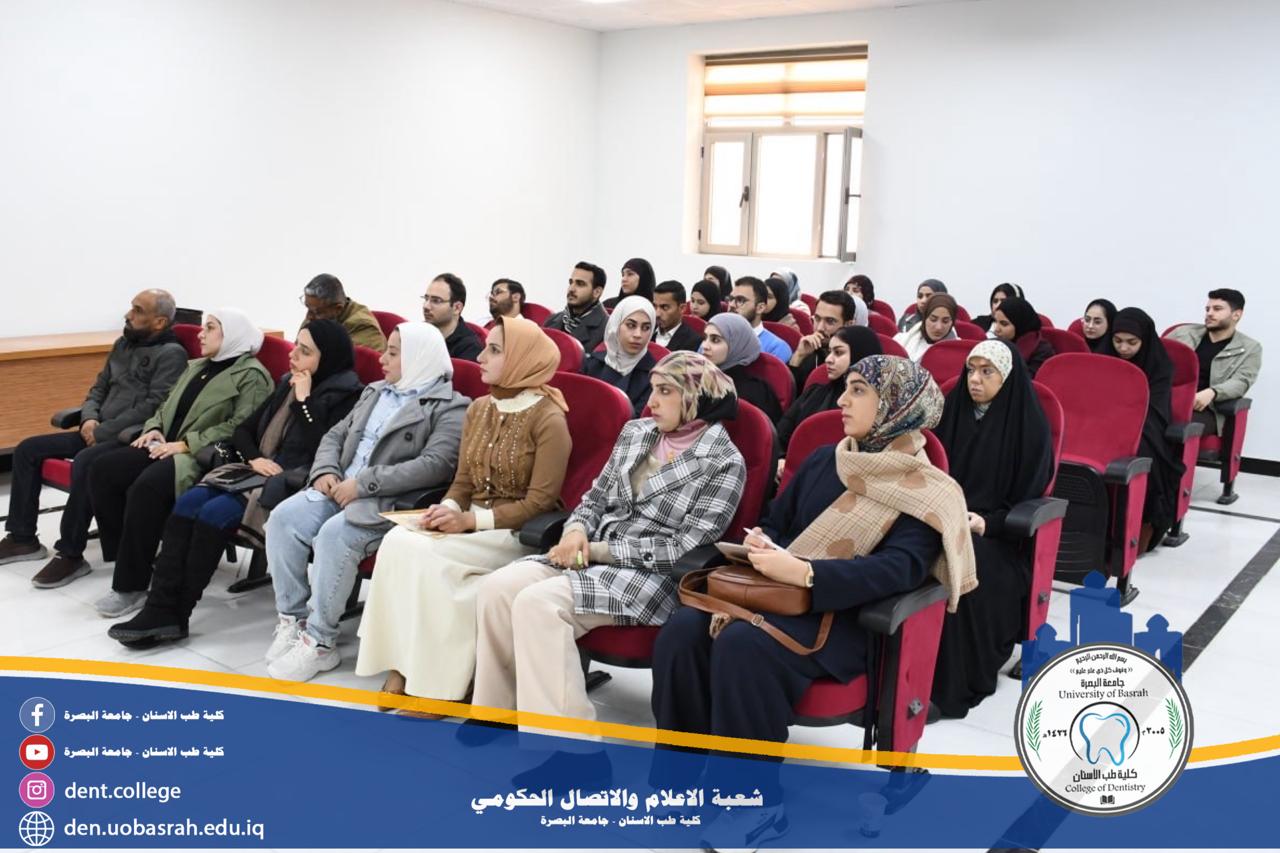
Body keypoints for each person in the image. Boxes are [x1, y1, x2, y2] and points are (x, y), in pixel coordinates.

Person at [650, 356, 975, 844]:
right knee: (682, 631)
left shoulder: (928, 489)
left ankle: (757, 807)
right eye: (846, 388)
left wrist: (807, 573)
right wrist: (764, 542)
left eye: (859, 390)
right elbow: (779, 521)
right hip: (778, 594)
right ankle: (680, 782)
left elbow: (900, 568)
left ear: (897, 405)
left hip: (847, 619)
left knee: (742, 644)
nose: (841, 400)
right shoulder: (828, 460)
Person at [471, 350, 747, 785]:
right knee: (497, 587)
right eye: (652, 389)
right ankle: (500, 710)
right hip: (590, 553)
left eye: (665, 391)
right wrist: (574, 530)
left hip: (650, 577)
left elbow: (684, 548)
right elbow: (595, 497)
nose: (650, 402)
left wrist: (597, 550)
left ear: (696, 398)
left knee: (539, 605)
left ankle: (579, 757)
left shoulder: (724, 462)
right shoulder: (637, 432)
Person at [354, 317, 571, 711]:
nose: (481, 357)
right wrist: (448, 507)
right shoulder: (480, 408)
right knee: (398, 541)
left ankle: (442, 687)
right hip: (469, 522)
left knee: (432, 560)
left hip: (512, 533)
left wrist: (470, 521)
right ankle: (401, 664)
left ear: (522, 360)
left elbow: (540, 503)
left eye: (495, 350)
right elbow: (463, 480)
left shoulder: (549, 418)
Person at [105, 321, 363, 645]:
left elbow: (325, 449)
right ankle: (159, 606)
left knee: (213, 514)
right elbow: (243, 431)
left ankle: (177, 613)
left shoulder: (348, 396)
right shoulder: (288, 382)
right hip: (255, 470)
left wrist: (303, 402)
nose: (293, 355)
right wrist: (254, 458)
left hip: (294, 480)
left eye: (305, 351)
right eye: (296, 345)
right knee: (188, 503)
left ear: (329, 357)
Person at [263, 323, 468, 682]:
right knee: (283, 518)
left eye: (393, 352)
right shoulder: (376, 391)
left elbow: (436, 465)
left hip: (384, 500)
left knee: (333, 536)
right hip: (338, 487)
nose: (381, 359)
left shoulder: (451, 407)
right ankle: (293, 619)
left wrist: (364, 484)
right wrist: (325, 470)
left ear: (418, 359)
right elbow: (334, 435)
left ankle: (320, 642)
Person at [87, 309, 274, 618]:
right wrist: (153, 428)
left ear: (232, 335)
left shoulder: (252, 376)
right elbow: (165, 405)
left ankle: (131, 585)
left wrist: (187, 444)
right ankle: (133, 556)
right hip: (164, 443)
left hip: (199, 454)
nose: (200, 334)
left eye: (210, 328)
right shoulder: (196, 365)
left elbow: (240, 427)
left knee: (146, 488)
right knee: (103, 470)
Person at [1, 290, 187, 586]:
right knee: (27, 449)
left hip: (129, 437)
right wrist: (89, 419)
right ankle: (22, 538)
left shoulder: (172, 354)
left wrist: (101, 432)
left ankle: (70, 553)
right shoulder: (123, 344)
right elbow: (98, 388)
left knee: (87, 461)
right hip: (95, 429)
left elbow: (155, 406)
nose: (128, 315)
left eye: (138, 310)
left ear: (159, 322)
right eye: (131, 308)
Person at [931, 340, 1054, 718]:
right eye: (971, 370)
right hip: (941, 518)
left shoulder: (1028, 426)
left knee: (964, 565)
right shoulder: (952, 412)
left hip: (996, 537)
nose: (975, 379)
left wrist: (989, 523)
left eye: (987, 372)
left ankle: (947, 686)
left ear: (1007, 377)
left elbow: (1027, 499)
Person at [1102, 308, 1186, 552]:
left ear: (1145, 340)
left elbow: (1156, 409)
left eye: (1132, 342)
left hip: (1146, 424)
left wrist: (1123, 423)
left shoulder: (1159, 366)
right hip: (1105, 421)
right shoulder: (1104, 358)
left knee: (1142, 450)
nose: (1123, 348)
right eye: (1117, 341)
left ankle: (1140, 525)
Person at [1167, 289, 1262, 437]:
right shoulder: (1183, 333)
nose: (1209, 313)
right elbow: (1155, 358)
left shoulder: (1250, 348)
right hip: (1168, 400)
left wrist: (1213, 392)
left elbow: (1242, 381)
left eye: (1217, 309)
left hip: (1205, 409)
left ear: (1236, 315)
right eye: (1207, 309)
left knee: (1169, 424)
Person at [778, 326, 882, 450]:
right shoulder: (814, 393)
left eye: (838, 353)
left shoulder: (878, 408)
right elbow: (781, 436)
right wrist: (782, 458)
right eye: (829, 352)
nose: (828, 359)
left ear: (861, 355)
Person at [700, 312, 783, 423]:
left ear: (736, 344)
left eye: (715, 340)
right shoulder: (702, 377)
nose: (704, 346)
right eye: (705, 338)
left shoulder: (755, 393)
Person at [582, 296, 657, 417]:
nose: (638, 335)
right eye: (631, 325)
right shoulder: (592, 363)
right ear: (616, 326)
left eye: (646, 328)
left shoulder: (655, 377)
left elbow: (636, 423)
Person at [787, 290, 858, 389]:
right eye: (817, 319)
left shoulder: (856, 363)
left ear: (848, 325)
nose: (820, 328)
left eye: (830, 321)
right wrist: (798, 356)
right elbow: (789, 393)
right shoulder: (809, 351)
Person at [299, 273, 386, 352]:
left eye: (316, 312)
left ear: (338, 309)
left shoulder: (363, 327)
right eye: (308, 307)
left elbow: (352, 362)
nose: (308, 316)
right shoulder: (313, 317)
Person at [544, 262, 609, 354]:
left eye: (580, 284)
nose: (571, 289)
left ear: (597, 292)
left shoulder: (608, 329)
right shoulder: (552, 319)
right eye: (571, 282)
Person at [422, 272, 482, 361]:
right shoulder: (419, 334)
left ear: (457, 308)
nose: (426, 306)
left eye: (436, 301)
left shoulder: (470, 348)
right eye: (426, 298)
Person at [730, 277, 792, 362]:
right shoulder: (717, 336)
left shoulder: (776, 347)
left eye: (740, 300)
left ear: (760, 308)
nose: (731, 305)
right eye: (731, 299)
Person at [991, 296, 1055, 377]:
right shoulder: (995, 344)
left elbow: (1027, 380)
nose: (996, 329)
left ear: (1019, 324)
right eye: (995, 322)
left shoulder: (1042, 351)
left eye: (1004, 324)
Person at [894, 293, 959, 362]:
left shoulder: (961, 352)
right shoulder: (901, 341)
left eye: (945, 321)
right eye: (933, 320)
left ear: (952, 322)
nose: (938, 327)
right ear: (925, 318)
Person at [651, 280, 702, 353]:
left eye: (665, 307)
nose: (657, 314)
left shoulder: (693, 341)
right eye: (655, 306)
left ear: (682, 308)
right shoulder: (647, 331)